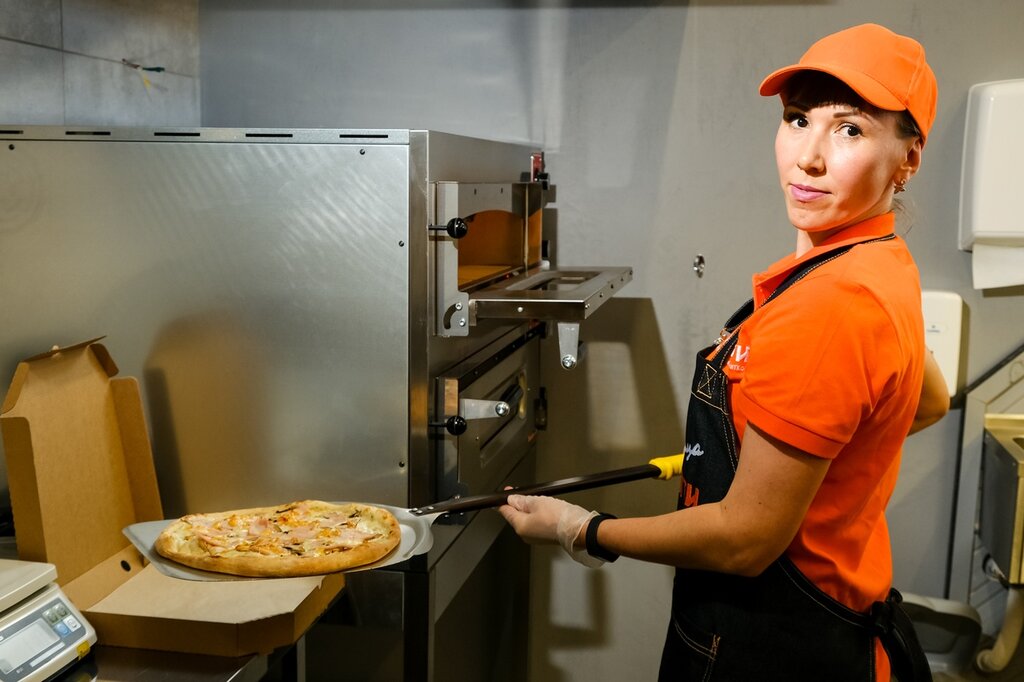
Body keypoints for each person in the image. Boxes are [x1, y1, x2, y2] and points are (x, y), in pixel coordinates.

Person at [499, 23, 945, 682]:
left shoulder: (831, 304)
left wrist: (581, 528)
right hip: (836, 627)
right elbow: (927, 400)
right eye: (798, 120)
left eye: (850, 130)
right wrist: (782, 462)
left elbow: (744, 540)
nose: (808, 158)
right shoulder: (878, 261)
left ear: (908, 159)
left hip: (768, 650)